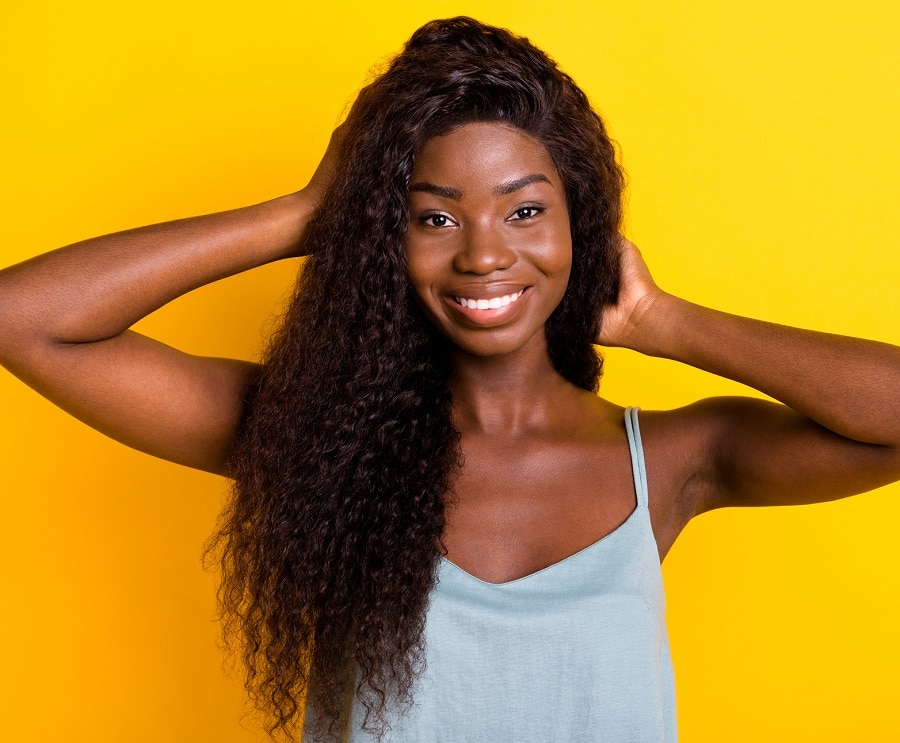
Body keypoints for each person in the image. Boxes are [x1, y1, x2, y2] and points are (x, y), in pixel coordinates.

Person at [0, 15, 897, 743]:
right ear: (387, 236)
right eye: (434, 216)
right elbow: (24, 320)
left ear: (578, 223)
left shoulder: (668, 458)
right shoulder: (313, 438)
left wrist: (666, 322)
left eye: (526, 209)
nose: (484, 253)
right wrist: (310, 213)